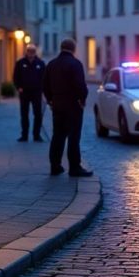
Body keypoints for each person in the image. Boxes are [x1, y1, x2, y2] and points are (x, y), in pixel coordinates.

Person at [41, 38, 93, 177]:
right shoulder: (75, 64)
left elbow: (45, 85)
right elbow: (80, 86)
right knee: (73, 137)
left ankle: (55, 165)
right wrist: (82, 99)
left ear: (61, 47)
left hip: (57, 104)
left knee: (57, 135)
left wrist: (50, 100)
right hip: (73, 105)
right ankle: (74, 167)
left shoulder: (51, 64)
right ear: (74, 49)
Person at [13, 43, 46, 142]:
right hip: (24, 93)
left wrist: (43, 90)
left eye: (33, 51)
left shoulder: (40, 63)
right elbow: (15, 76)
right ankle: (24, 135)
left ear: (35, 52)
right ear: (26, 51)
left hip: (36, 92)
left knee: (38, 114)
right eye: (29, 51)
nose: (31, 53)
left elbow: (44, 78)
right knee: (24, 114)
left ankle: (37, 135)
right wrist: (18, 87)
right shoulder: (20, 63)